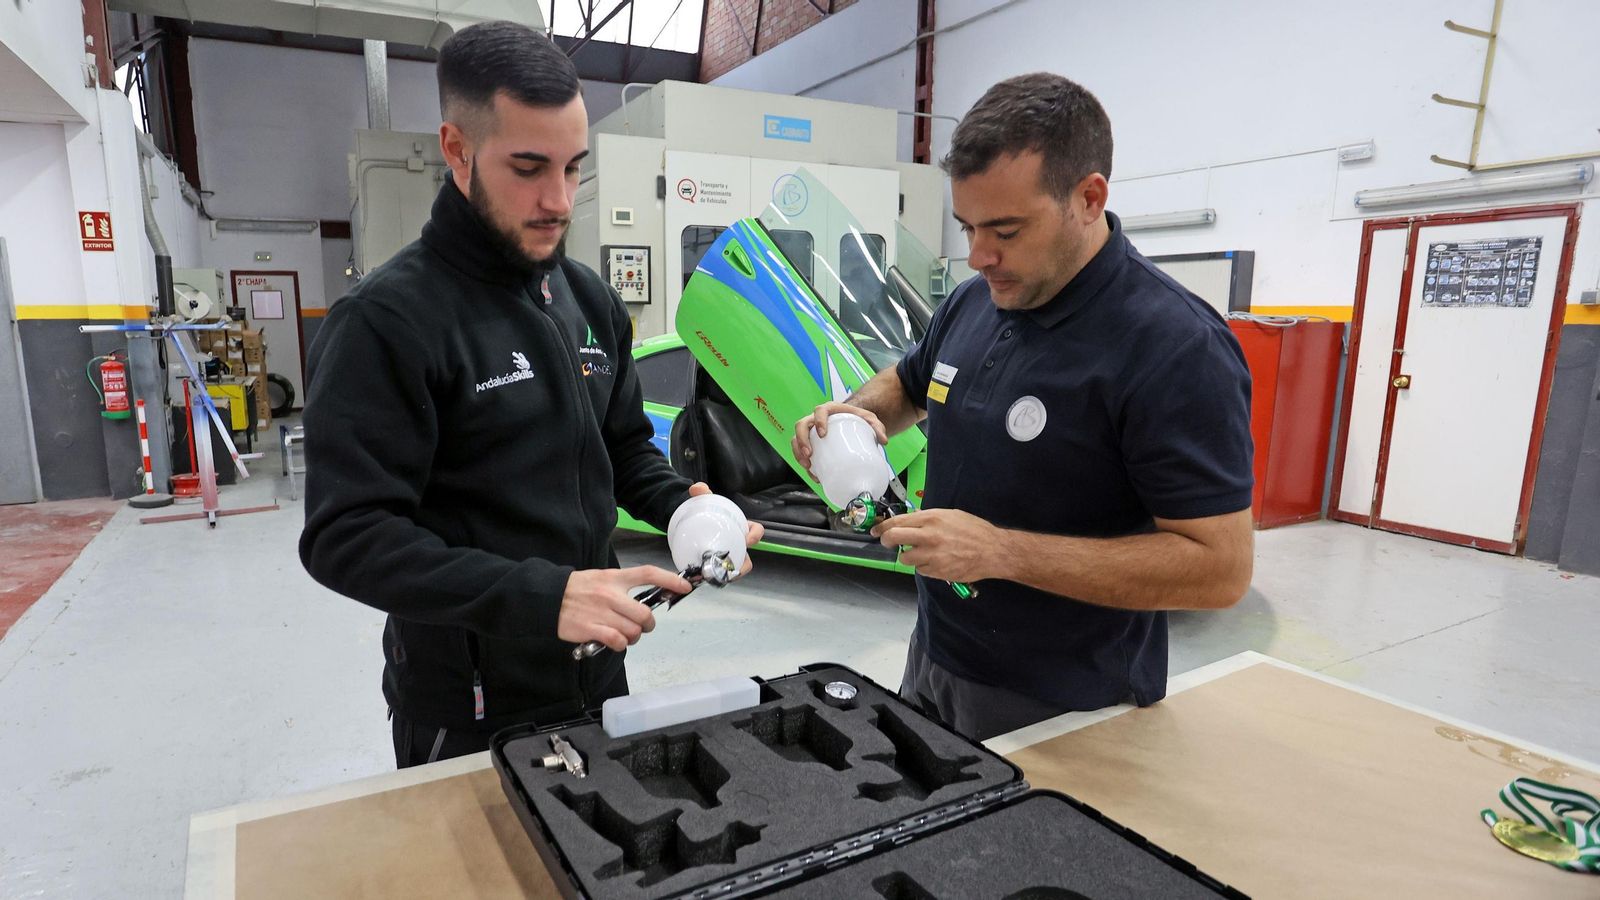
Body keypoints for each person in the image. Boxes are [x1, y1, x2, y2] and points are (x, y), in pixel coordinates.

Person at [300, 21, 759, 767]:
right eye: (528, 167)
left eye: (574, 168)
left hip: (598, 672)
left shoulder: (587, 300)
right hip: (471, 708)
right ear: (457, 150)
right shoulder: (388, 322)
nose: (558, 199)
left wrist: (688, 510)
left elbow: (622, 450)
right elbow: (346, 537)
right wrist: (542, 599)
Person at [793, 73, 1254, 741]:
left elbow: (1220, 568)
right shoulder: (977, 299)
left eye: (1005, 229)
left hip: (1065, 703)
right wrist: (858, 413)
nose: (979, 255)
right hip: (936, 658)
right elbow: (911, 383)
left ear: (1089, 198)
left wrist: (1002, 553)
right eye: (968, 227)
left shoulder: (1174, 347)